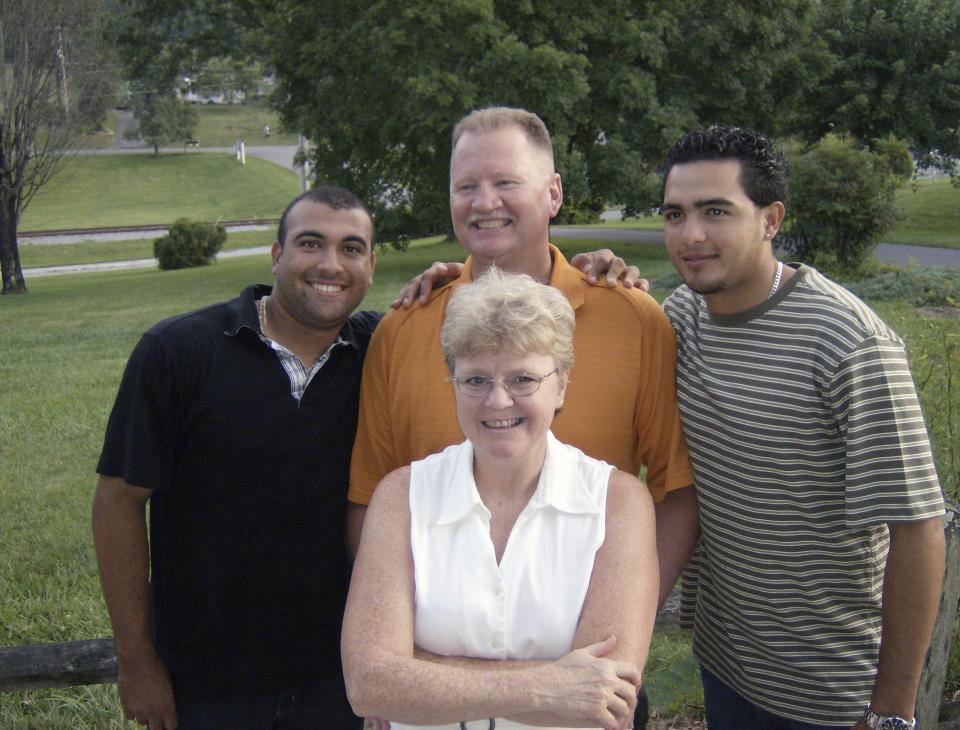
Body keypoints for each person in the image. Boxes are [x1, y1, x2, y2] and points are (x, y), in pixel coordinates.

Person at [91, 182, 634, 730]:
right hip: (210, 676)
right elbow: (117, 500)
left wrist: (471, 280)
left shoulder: (380, 344)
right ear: (277, 254)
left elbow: (474, 329)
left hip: (334, 676)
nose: (330, 264)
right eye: (310, 243)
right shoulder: (181, 352)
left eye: (351, 249)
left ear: (371, 266)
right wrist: (136, 659)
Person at [348, 106, 697, 613]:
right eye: (466, 186)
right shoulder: (402, 330)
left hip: (592, 656)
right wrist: (407, 625)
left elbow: (676, 493)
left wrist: (621, 626)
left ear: (553, 193)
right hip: (442, 659)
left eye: (506, 181)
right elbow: (369, 502)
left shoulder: (633, 320)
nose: (484, 202)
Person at [658, 126, 946, 730]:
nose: (692, 235)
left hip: (830, 693)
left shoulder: (847, 343)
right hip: (725, 663)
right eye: (675, 214)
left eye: (717, 211)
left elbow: (918, 529)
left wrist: (892, 711)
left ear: (770, 220)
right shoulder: (681, 317)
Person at [342, 268, 659, 730]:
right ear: (451, 382)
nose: (497, 401)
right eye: (474, 381)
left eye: (523, 378)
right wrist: (551, 686)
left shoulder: (618, 504)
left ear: (562, 385)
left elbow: (604, 704)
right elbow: (370, 685)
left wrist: (420, 671)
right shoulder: (402, 497)